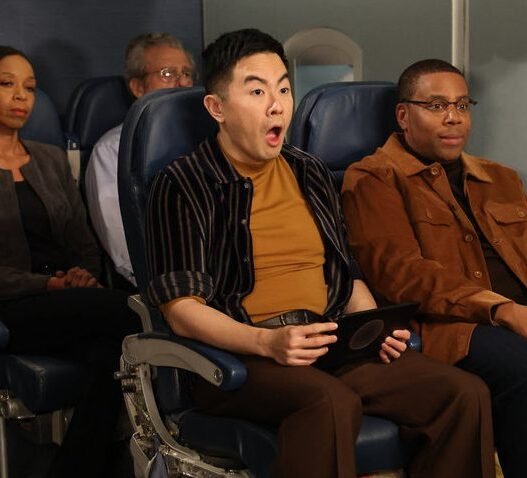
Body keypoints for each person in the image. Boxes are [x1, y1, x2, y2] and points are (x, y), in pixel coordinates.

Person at [146, 30, 495, 478]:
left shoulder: (308, 170)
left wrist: (372, 327)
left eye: (283, 89)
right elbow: (181, 309)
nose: (277, 106)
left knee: (462, 394)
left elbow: (345, 275)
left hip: (329, 342)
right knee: (330, 402)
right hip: (243, 357)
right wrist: (266, 343)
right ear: (218, 108)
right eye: (257, 92)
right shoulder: (184, 183)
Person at [341, 58, 527, 478]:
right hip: (450, 327)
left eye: (462, 105)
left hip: (514, 314)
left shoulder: (500, 177)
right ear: (403, 115)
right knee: (521, 366)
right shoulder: (373, 178)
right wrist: (502, 310)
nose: (453, 118)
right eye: (437, 105)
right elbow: (402, 274)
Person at [0, 46, 140, 478]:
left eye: (30, 88)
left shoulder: (50, 158)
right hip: (14, 306)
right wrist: (49, 285)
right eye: (6, 84)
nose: (21, 97)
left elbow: (82, 239)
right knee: (136, 313)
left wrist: (82, 274)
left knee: (117, 356)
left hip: (69, 301)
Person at [85, 32, 195, 286]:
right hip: (161, 283)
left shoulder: (210, 139)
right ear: (138, 87)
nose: (182, 83)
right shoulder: (112, 151)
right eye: (168, 73)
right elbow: (125, 250)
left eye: (187, 74)